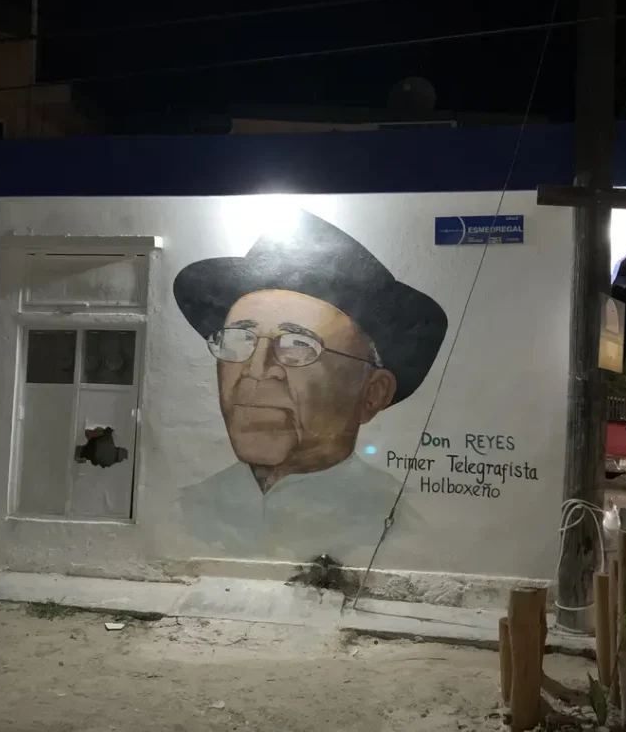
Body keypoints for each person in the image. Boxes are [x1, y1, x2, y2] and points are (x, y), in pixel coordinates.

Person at [173, 211, 447, 561]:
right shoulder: (185, 509)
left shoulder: (397, 525)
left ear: (372, 393)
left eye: (297, 345)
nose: (256, 370)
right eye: (238, 339)